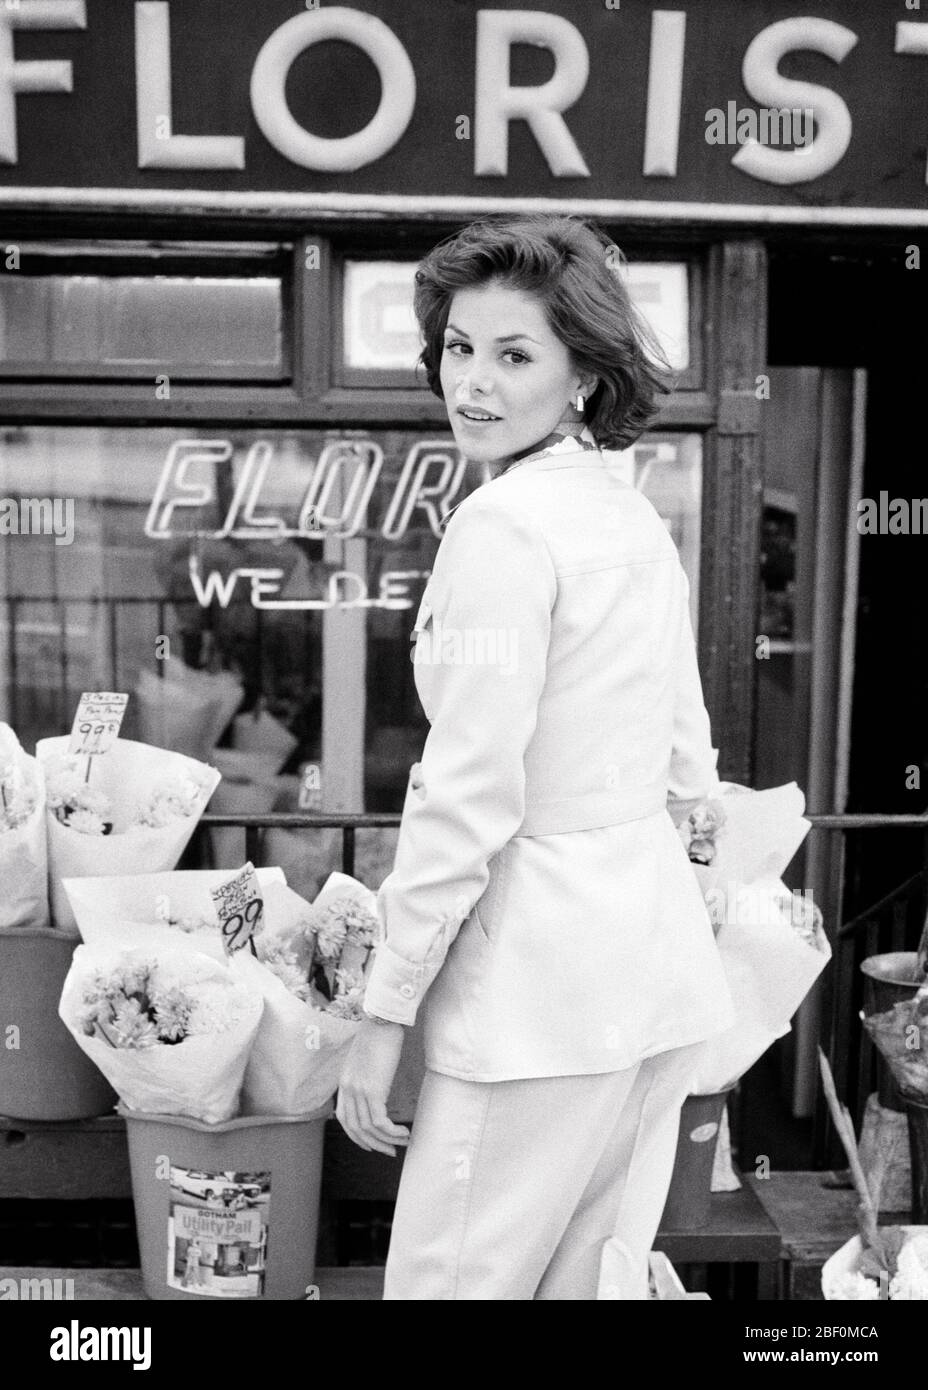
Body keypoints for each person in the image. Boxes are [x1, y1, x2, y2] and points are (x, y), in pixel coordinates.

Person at [335, 214, 736, 1300]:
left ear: (584, 382)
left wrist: (384, 1017)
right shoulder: (627, 518)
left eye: (515, 355)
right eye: (459, 348)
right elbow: (687, 757)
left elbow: (467, 801)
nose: (472, 382)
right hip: (644, 984)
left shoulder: (505, 529)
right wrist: (697, 899)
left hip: (531, 1002)